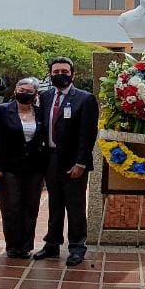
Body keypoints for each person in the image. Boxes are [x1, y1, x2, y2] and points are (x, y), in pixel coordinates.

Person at [34, 56, 100, 266]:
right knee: (54, 204)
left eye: (64, 71)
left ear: (73, 74)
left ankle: (77, 247)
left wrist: (81, 162)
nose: (60, 75)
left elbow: (87, 134)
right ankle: (52, 243)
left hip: (74, 162)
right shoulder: (44, 97)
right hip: (50, 159)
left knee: (75, 205)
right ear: (50, 74)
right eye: (55, 72)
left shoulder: (85, 98)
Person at [0, 77, 50, 258]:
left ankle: (26, 246)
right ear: (15, 90)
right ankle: (13, 245)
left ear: (35, 94)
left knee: (30, 206)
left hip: (34, 167)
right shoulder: (2, 110)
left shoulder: (41, 113)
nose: (24, 93)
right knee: (11, 207)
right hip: (9, 167)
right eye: (21, 90)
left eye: (28, 91)